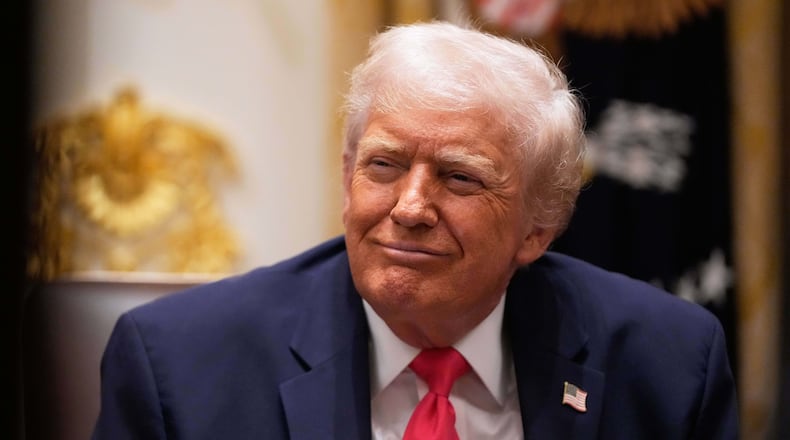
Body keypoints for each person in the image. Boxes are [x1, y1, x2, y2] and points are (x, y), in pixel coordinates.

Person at [92, 21, 738, 439]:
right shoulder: (178, 364)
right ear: (346, 178)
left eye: (459, 178)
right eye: (383, 166)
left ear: (538, 229)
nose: (410, 207)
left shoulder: (666, 363)